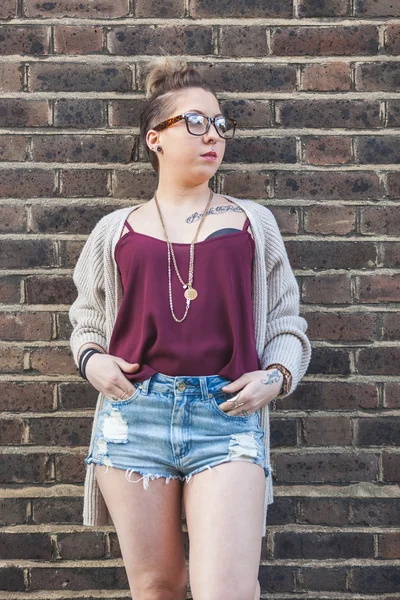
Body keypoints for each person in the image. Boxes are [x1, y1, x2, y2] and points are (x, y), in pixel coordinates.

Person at [69, 55, 312, 600]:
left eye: (221, 125)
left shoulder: (251, 223)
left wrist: (276, 375)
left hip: (226, 416)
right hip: (134, 416)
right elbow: (87, 317)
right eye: (196, 122)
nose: (213, 136)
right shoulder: (117, 230)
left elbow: (286, 319)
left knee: (224, 588)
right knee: (157, 587)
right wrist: (92, 360)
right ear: (155, 138)